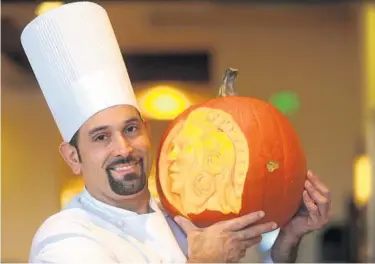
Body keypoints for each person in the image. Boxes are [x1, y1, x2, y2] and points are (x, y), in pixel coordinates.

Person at [21, 2, 331, 263]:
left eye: (130, 129)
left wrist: (285, 245)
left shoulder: (182, 218)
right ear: (73, 157)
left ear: (148, 133)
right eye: (101, 137)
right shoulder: (65, 239)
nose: (123, 148)